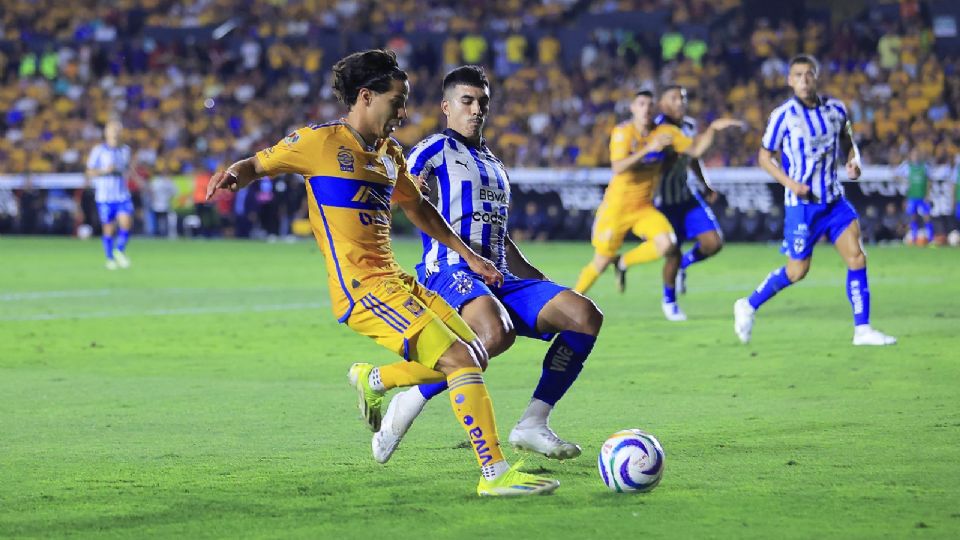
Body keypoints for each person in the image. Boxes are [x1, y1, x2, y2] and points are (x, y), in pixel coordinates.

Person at [204, 50, 558, 496]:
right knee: (460, 360)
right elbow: (257, 164)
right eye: (397, 102)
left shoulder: (390, 154)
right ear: (366, 97)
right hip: (362, 289)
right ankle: (494, 474)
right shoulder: (319, 143)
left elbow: (419, 209)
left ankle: (376, 379)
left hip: (396, 280)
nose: (404, 113)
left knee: (477, 351)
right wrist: (235, 175)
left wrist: (467, 255)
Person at [367, 65, 603, 465]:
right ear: (446, 106)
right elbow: (391, 190)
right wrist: (402, 188)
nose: (476, 109)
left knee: (584, 315)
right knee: (492, 332)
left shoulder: (494, 164)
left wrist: (537, 282)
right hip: (449, 270)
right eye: (467, 101)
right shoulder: (432, 149)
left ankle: (532, 423)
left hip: (498, 275)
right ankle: (406, 398)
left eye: (482, 103)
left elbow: (500, 236)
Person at [733, 55, 896, 346]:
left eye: (809, 74)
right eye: (798, 75)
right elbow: (764, 157)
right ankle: (748, 304)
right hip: (802, 207)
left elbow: (848, 144)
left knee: (857, 258)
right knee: (797, 271)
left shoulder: (836, 110)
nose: (804, 79)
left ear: (817, 77)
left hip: (834, 201)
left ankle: (863, 329)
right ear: (789, 81)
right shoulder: (783, 115)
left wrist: (853, 162)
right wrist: (790, 183)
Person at [572, 89, 742, 297]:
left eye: (649, 105)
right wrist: (648, 149)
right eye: (641, 104)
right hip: (617, 208)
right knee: (601, 261)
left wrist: (713, 129)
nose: (646, 109)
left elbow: (695, 152)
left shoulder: (664, 133)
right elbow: (618, 167)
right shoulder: (623, 132)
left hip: (644, 208)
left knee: (667, 245)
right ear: (633, 108)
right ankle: (573, 298)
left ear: (655, 109)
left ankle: (623, 261)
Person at [654, 85, 726, 321]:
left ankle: (685, 265)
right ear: (662, 104)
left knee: (713, 243)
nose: (680, 103)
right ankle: (669, 301)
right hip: (662, 203)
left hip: (686, 197)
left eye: (683, 98)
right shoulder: (656, 129)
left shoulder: (690, 126)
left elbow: (693, 157)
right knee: (671, 253)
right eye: (673, 98)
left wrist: (704, 184)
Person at [85, 120, 137, 269]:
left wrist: (138, 181)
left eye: (118, 129)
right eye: (112, 129)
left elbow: (129, 168)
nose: (115, 132)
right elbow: (89, 171)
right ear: (106, 132)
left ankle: (119, 250)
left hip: (122, 194)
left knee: (127, 222)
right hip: (105, 196)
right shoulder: (98, 150)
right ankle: (109, 258)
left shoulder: (125, 150)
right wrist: (104, 171)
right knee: (109, 227)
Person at [895, 148, 934, 245]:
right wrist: (904, 181)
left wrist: (927, 195)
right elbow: (896, 175)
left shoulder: (925, 167)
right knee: (913, 217)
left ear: (920, 156)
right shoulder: (907, 167)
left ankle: (930, 238)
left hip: (923, 196)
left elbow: (929, 182)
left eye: (917, 154)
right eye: (914, 155)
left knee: (927, 216)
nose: (916, 156)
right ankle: (914, 238)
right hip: (912, 197)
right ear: (911, 156)